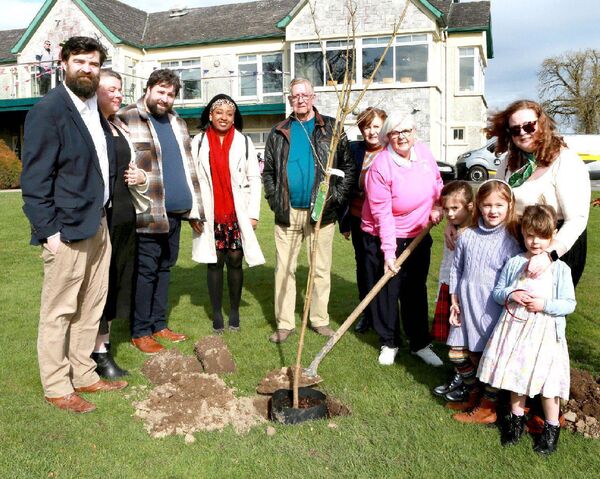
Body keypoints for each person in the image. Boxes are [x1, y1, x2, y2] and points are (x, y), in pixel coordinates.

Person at [21, 36, 127, 414]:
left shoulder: (92, 109)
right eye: (80, 61)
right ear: (63, 63)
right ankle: (56, 385)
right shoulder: (48, 110)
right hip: (65, 230)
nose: (87, 68)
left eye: (94, 63)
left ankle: (83, 373)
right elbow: (35, 181)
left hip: (98, 224)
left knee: (91, 306)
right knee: (60, 310)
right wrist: (48, 232)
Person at [118, 69, 205, 354]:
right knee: (146, 271)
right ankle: (141, 330)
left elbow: (189, 167)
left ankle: (159, 324)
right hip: (148, 211)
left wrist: (196, 210)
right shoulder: (128, 117)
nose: (165, 98)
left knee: (165, 268)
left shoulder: (178, 122)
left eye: (170, 94)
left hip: (177, 211)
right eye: (161, 92)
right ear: (149, 89)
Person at [263, 78, 355, 343]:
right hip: (288, 211)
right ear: (290, 99)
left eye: (305, 95)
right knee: (284, 269)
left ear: (313, 97)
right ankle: (284, 324)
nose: (300, 99)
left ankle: (319, 320)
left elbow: (348, 168)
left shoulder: (331, 129)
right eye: (295, 96)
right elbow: (268, 171)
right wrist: (273, 198)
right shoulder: (279, 131)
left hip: (321, 214)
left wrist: (335, 198)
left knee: (320, 269)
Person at [478, 204, 575, 455]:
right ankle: (515, 423)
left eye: (542, 236)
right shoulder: (514, 263)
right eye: (530, 235)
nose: (535, 242)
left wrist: (544, 304)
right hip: (515, 331)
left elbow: (568, 304)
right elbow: (499, 293)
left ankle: (551, 429)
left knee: (548, 383)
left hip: (545, 334)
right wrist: (513, 293)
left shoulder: (560, 269)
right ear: (522, 232)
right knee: (516, 376)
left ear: (552, 235)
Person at [361, 112, 444, 367]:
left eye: (406, 131)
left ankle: (419, 343)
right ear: (387, 137)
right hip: (383, 235)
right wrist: (388, 252)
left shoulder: (424, 154)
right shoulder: (380, 166)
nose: (402, 136)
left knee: (415, 288)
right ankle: (389, 342)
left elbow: (438, 183)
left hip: (419, 233)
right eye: (395, 132)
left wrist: (438, 205)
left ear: (414, 132)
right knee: (387, 290)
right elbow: (382, 213)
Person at [487, 100, 590, 287]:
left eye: (528, 126)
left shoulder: (566, 161)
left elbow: (577, 219)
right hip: (517, 244)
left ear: (541, 123)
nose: (523, 133)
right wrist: (457, 225)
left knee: (544, 311)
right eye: (516, 129)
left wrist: (548, 255)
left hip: (557, 247)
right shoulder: (509, 163)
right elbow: (491, 201)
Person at [447, 180, 521, 424]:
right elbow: (456, 269)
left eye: (499, 205)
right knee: (458, 355)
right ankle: (474, 394)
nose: (493, 211)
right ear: (478, 205)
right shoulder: (467, 235)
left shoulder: (510, 242)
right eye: (487, 205)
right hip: (466, 303)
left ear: (509, 205)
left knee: (487, 358)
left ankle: (488, 408)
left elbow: (513, 280)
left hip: (491, 306)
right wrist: (454, 299)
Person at [191, 94, 264, 333]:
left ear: (234, 118)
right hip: (209, 212)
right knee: (214, 262)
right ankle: (216, 313)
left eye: (229, 114)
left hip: (236, 212)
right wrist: (193, 213)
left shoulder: (244, 142)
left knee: (235, 259)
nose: (224, 117)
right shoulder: (198, 141)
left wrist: (253, 213)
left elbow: (254, 179)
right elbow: (190, 180)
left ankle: (233, 310)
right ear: (210, 115)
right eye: (219, 113)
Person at [92, 69, 148, 377]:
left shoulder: (117, 126)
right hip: (105, 219)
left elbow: (133, 168)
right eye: (111, 89)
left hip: (126, 217)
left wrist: (140, 176)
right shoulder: (90, 127)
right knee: (100, 285)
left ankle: (105, 346)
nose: (118, 95)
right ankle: (96, 352)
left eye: (120, 90)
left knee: (117, 282)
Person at [338, 107, 387, 334]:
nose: (371, 131)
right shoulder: (354, 150)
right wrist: (345, 222)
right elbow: (343, 185)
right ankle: (366, 313)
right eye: (367, 126)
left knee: (384, 269)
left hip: (385, 223)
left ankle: (386, 316)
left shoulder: (391, 151)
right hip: (359, 220)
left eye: (376, 126)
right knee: (364, 269)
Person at [431, 181, 474, 401]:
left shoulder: (474, 231)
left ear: (470, 206)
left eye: (455, 209)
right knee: (453, 335)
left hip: (466, 291)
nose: (449, 214)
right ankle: (459, 375)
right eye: (446, 209)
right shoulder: (454, 227)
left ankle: (468, 382)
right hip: (449, 284)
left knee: (464, 339)